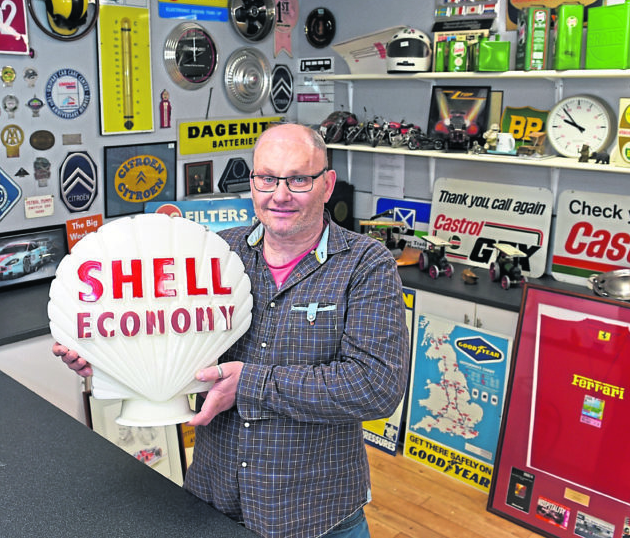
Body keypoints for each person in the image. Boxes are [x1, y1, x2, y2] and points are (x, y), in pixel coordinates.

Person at [54, 123, 409, 538]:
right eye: (267, 178)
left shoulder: (366, 265)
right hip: (213, 501)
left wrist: (250, 383)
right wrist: (109, 360)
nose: (280, 195)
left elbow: (376, 386)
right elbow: (167, 343)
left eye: (298, 179)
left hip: (318, 515)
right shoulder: (217, 253)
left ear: (327, 185)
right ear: (253, 182)